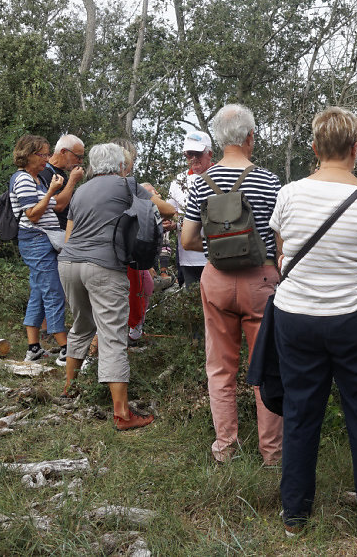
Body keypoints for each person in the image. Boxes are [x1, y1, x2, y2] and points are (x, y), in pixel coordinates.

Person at [270, 107, 357, 542]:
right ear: (355, 148)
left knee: (301, 411)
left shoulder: (289, 195)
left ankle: (294, 515)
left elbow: (282, 250)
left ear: (314, 148)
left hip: (297, 316)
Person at [181, 104, 283, 466]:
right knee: (266, 367)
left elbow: (187, 239)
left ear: (219, 140)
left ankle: (225, 448)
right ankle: (272, 454)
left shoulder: (200, 182)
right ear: (250, 137)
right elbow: (281, 242)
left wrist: (217, 247)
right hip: (261, 281)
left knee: (220, 368)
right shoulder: (269, 181)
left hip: (217, 281)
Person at [57, 143, 154, 430]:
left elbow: (69, 235)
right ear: (119, 164)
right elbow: (160, 208)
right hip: (103, 265)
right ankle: (122, 414)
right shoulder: (127, 185)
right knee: (112, 334)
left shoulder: (80, 191)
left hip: (69, 263)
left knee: (81, 325)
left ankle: (69, 389)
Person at [9, 134, 68, 365]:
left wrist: (58, 188)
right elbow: (32, 214)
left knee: (38, 292)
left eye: (47, 153)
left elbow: (55, 206)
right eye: (42, 154)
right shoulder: (23, 179)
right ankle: (65, 348)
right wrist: (51, 191)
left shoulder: (37, 179)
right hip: (36, 241)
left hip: (42, 241)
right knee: (53, 291)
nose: (46, 158)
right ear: (28, 155)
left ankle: (33, 348)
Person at [114, 138, 175, 343]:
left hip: (105, 250)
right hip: (126, 249)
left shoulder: (92, 186)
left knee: (136, 289)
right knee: (134, 291)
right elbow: (168, 209)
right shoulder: (129, 185)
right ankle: (128, 333)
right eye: (133, 158)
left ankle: (128, 331)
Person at [168, 130, 213, 287]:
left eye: (197, 153)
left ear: (209, 154)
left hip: (216, 256)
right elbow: (171, 212)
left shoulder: (220, 176)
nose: (193, 158)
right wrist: (171, 223)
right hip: (188, 259)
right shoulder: (178, 181)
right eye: (188, 154)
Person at [38, 134, 86, 228]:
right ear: (63, 152)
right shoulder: (44, 172)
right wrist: (72, 180)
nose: (80, 161)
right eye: (78, 157)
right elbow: (58, 206)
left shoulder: (60, 173)